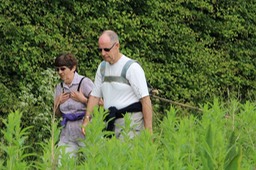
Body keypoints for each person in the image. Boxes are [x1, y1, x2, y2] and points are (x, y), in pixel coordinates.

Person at [82, 30, 153, 139]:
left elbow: (145, 100)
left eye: (106, 49)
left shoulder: (132, 68)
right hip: (110, 120)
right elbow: (95, 96)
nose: (103, 53)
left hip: (131, 122)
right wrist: (87, 119)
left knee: (126, 155)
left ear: (117, 46)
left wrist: (149, 132)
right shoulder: (102, 68)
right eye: (100, 50)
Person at [53, 53, 94, 158]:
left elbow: (101, 104)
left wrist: (83, 99)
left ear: (73, 68)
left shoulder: (84, 82)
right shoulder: (59, 87)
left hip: (85, 129)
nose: (60, 72)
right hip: (67, 132)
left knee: (92, 161)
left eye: (63, 69)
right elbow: (57, 114)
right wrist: (57, 104)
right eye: (57, 69)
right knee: (64, 163)